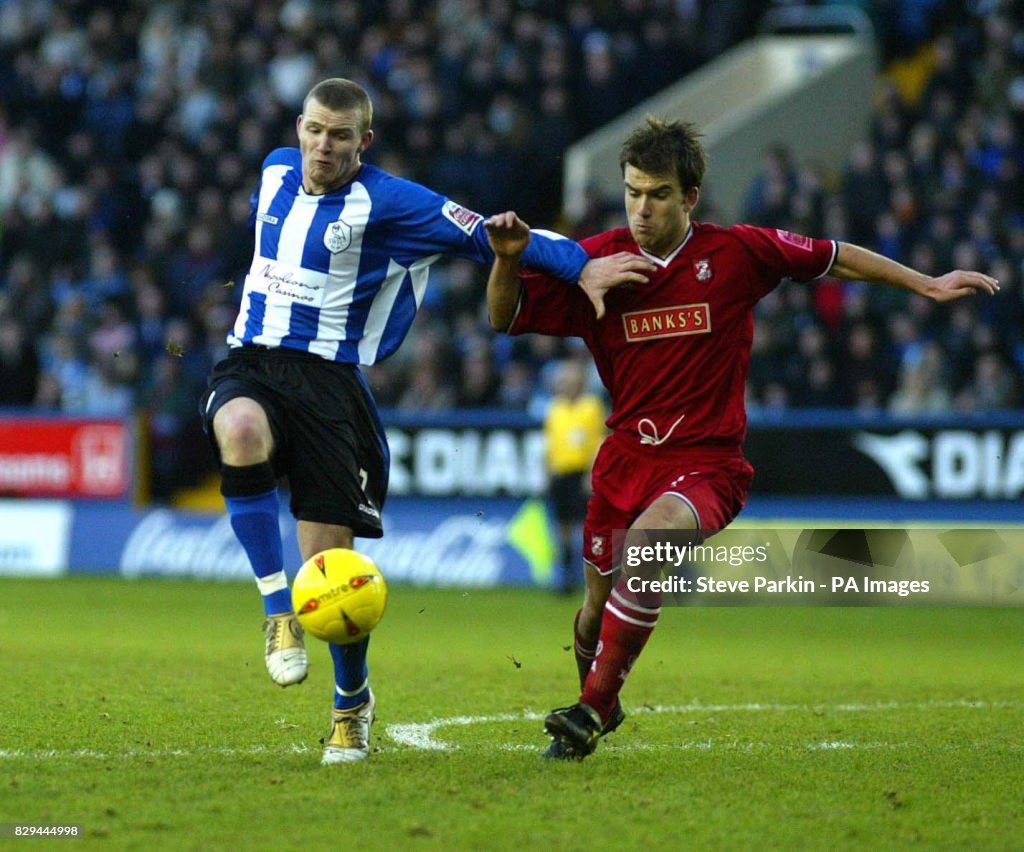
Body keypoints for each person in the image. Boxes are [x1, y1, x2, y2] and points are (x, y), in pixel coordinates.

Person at [483, 115, 999, 760]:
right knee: (592, 609)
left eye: (659, 194)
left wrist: (923, 282)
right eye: (633, 192)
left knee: (648, 549)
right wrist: (506, 261)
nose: (642, 209)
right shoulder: (596, 260)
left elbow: (833, 255)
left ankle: (591, 708)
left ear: (690, 196)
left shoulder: (737, 252)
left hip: (706, 462)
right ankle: (599, 697)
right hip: (623, 460)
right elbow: (505, 316)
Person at [198, 78, 650, 765]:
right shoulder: (275, 171)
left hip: (327, 387)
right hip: (251, 362)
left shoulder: (392, 202)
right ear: (298, 126)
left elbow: (494, 232)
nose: (323, 145)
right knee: (238, 432)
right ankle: (274, 612)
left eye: (340, 136)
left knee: (335, 572)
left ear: (364, 142)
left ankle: (352, 704)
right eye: (315, 130)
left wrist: (578, 265)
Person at [543, 359, 606, 594]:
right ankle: (565, 577)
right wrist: (547, 473)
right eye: (563, 381)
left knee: (584, 525)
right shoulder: (555, 408)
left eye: (570, 381)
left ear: (580, 383)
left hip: (581, 473)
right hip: (560, 473)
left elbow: (598, 441)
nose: (565, 385)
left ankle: (589, 576)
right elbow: (549, 445)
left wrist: (591, 473)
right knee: (562, 526)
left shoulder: (591, 407)